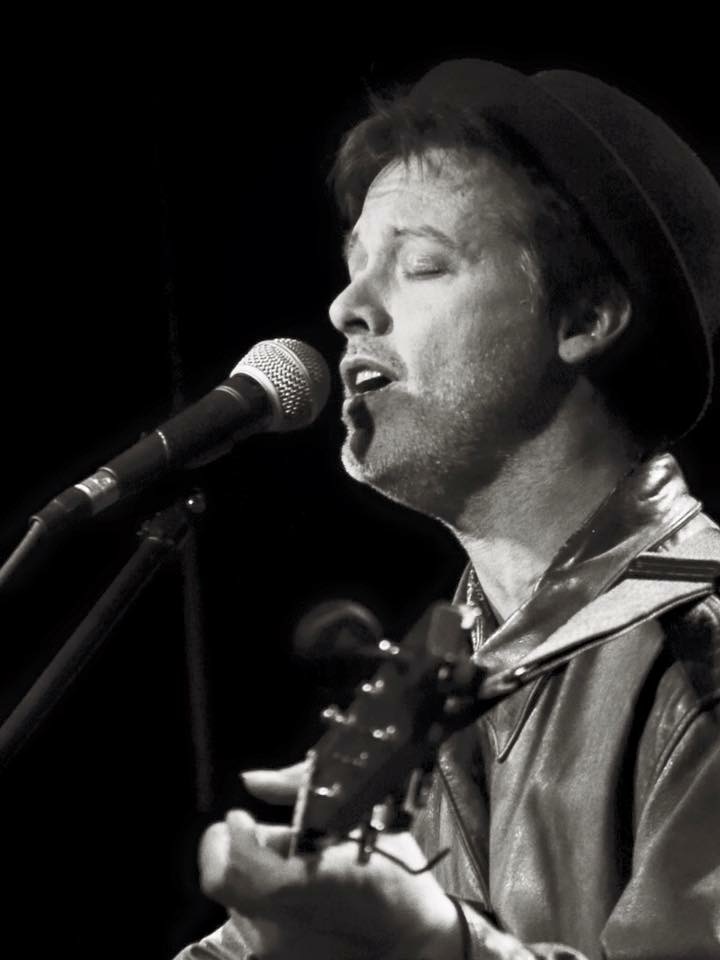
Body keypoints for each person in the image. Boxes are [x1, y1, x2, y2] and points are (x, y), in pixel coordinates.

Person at [176, 60, 720, 959]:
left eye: (421, 265)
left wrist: (437, 947)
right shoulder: (426, 689)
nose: (345, 307)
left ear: (584, 317)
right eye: (354, 267)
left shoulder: (701, 653)